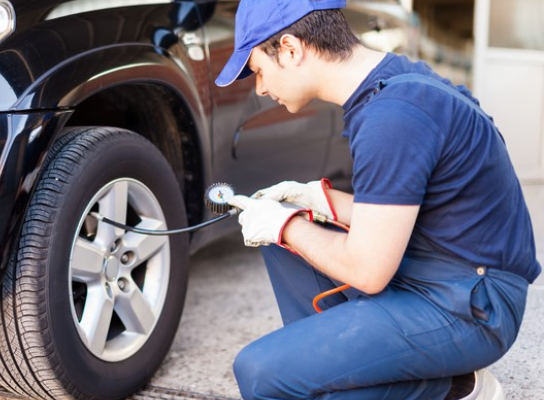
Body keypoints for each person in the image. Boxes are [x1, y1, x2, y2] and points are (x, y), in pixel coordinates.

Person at [214, 0, 542, 399]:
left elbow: (368, 270)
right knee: (284, 241)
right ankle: (351, 369)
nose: (261, 87)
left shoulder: (393, 115)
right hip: (447, 267)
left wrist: (287, 224)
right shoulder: (392, 81)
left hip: (473, 305)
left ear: (290, 48)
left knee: (262, 373)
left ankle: (448, 388)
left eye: (258, 70)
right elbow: (409, 210)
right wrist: (317, 200)